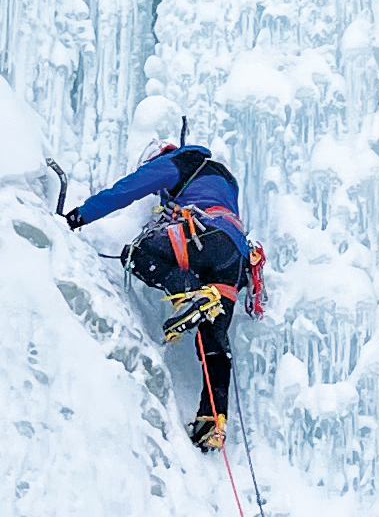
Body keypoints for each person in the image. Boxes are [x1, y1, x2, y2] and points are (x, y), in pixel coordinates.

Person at [64, 141, 251, 451]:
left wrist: (77, 218)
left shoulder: (180, 161)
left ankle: (191, 295)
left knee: (138, 253)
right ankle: (211, 423)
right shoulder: (224, 179)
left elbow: (126, 191)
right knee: (213, 340)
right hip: (235, 260)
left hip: (205, 236)